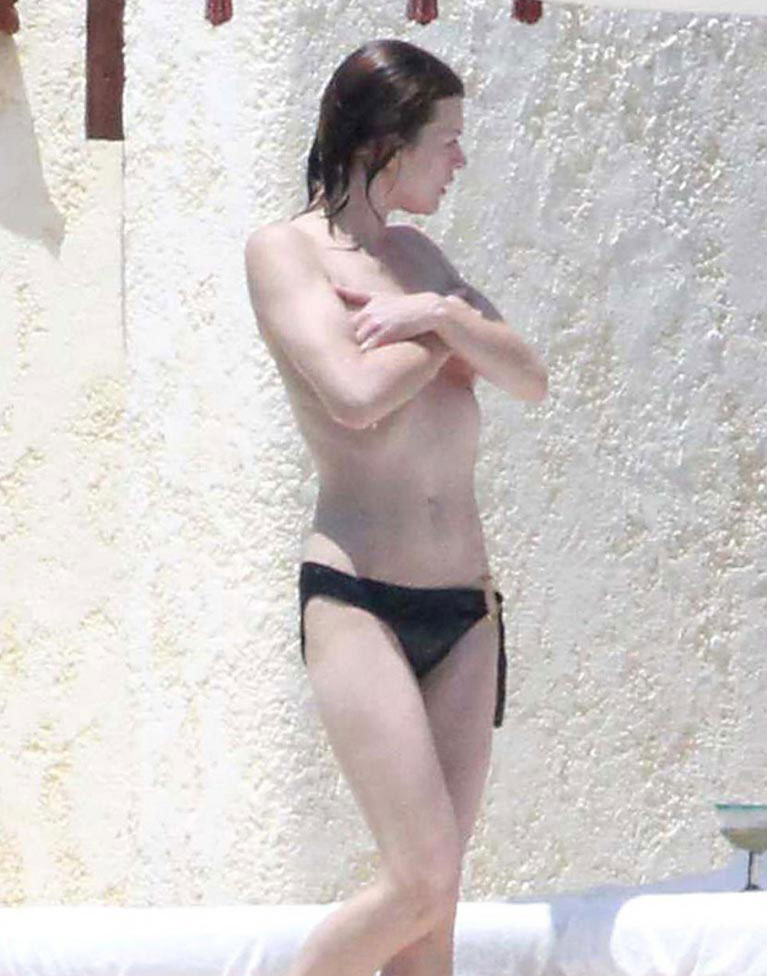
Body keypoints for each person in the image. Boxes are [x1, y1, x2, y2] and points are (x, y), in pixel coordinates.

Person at [244, 38, 547, 976]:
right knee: (418, 881)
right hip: (359, 596)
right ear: (386, 142)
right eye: (446, 139)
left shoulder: (418, 257)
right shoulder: (284, 252)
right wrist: (447, 328)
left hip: (467, 612)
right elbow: (353, 397)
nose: (459, 159)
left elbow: (528, 377)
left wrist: (438, 314)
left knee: (432, 918)